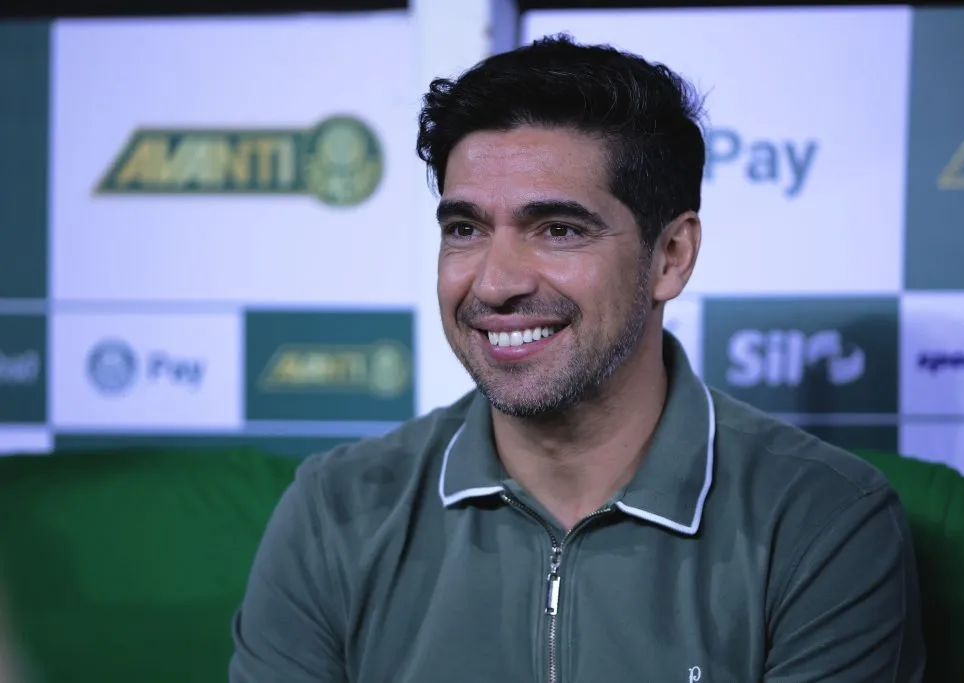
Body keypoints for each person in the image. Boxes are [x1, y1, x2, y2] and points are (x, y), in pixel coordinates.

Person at [230, 34, 925, 682]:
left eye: (558, 229)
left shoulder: (824, 521)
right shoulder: (334, 509)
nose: (496, 282)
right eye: (465, 228)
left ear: (671, 257)